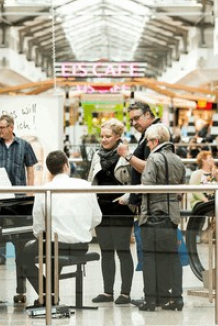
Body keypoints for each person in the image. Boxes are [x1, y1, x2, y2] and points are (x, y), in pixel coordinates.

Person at [22, 150, 102, 305]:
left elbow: (38, 225)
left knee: (24, 257)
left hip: (56, 244)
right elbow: (97, 218)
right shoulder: (85, 185)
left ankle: (47, 294)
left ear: (49, 170)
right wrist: (81, 229)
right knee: (52, 250)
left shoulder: (44, 189)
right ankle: (50, 294)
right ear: (67, 165)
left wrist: (43, 235)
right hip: (82, 245)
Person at [138, 123, 186, 312]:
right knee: (172, 258)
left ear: (155, 141)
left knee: (150, 258)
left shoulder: (154, 158)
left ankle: (151, 300)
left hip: (152, 215)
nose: (148, 146)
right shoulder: (177, 159)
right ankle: (176, 298)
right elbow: (181, 189)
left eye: (148, 142)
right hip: (172, 215)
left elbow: (147, 185)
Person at [0, 114, 38, 264]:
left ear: (11, 127)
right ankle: (0, 256)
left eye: (2, 128)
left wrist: (30, 190)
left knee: (20, 224)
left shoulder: (24, 145)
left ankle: (22, 254)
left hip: (18, 193)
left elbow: (30, 168)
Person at [87, 119, 133, 305]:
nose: (103, 140)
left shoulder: (126, 155)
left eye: (108, 136)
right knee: (106, 250)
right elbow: (91, 180)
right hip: (102, 207)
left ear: (117, 137)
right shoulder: (97, 155)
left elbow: (134, 181)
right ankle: (107, 292)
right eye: (102, 136)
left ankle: (125, 293)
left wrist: (128, 198)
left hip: (121, 207)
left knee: (123, 250)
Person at [116, 102, 161, 278]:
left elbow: (150, 168)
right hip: (146, 201)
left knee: (150, 251)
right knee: (147, 251)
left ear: (148, 115)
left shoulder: (154, 135)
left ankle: (153, 295)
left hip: (152, 204)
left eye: (137, 117)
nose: (134, 122)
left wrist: (127, 155)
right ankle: (152, 294)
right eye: (131, 119)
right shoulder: (146, 135)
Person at [188, 150, 218, 242]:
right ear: (203, 160)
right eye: (210, 158)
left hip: (217, 198)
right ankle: (197, 233)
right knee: (201, 208)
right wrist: (205, 199)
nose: (212, 160)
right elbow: (194, 190)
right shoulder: (196, 174)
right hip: (201, 199)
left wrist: (217, 177)